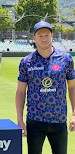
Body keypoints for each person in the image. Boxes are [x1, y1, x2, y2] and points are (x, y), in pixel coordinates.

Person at [15, 21, 75, 154]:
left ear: (52, 36)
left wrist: (74, 114)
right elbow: (20, 91)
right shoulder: (26, 62)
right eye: (40, 36)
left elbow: (72, 88)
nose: (44, 39)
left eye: (47, 35)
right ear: (34, 38)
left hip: (59, 120)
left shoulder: (66, 59)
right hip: (35, 121)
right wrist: (19, 119)